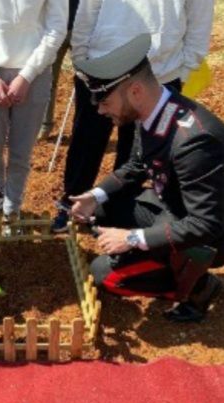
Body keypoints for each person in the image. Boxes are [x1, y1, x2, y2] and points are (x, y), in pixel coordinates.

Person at [70, 34, 224, 322]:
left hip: (203, 234)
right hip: (173, 208)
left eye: (104, 100)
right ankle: (166, 261)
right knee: (101, 210)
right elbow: (137, 165)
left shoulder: (194, 141)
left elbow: (207, 224)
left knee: (104, 276)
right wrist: (94, 196)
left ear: (136, 91)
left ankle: (197, 286)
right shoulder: (154, 110)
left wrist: (131, 238)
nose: (100, 109)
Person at [52, 0, 214, 232]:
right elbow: (88, 9)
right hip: (101, 65)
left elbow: (199, 18)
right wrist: (82, 58)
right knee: (86, 142)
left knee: (139, 153)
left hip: (159, 73)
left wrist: (185, 69)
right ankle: (73, 203)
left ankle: (118, 211)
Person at [0, 0, 68, 221]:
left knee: (21, 151)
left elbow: (56, 28)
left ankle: (12, 208)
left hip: (35, 72)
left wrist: (27, 75)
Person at [38, 0, 80, 140]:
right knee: (48, 79)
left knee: (85, 83)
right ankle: (44, 126)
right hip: (55, 30)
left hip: (83, 30)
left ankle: (80, 128)